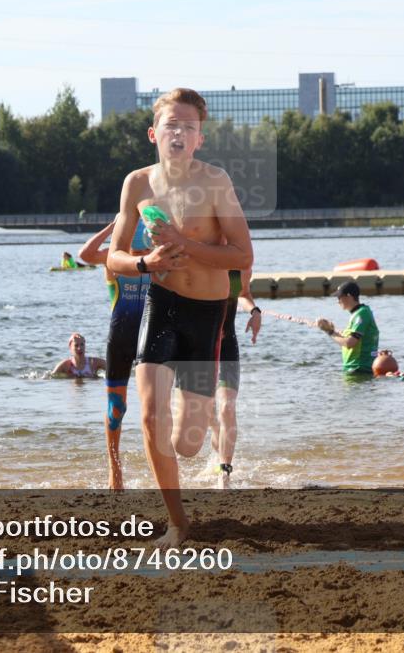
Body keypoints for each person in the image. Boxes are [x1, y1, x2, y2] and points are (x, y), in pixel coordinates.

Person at [106, 87, 253, 547]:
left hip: (208, 315)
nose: (179, 133)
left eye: (189, 127)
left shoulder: (215, 182)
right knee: (150, 419)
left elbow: (242, 254)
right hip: (163, 304)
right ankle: (177, 525)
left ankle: (189, 412)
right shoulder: (138, 184)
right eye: (171, 124)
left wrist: (181, 243)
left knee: (187, 444)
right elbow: (113, 257)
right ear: (154, 133)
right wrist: (148, 263)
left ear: (199, 139)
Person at [78, 219, 152, 490]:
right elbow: (84, 255)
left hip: (150, 340)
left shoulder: (156, 259)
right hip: (120, 339)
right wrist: (113, 226)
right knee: (116, 409)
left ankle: (160, 465)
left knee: (153, 409)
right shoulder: (114, 260)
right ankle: (115, 468)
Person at [206, 268, 261, 489]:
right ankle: (218, 447)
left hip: (227, 346)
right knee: (207, 414)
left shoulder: (240, 262)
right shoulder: (202, 252)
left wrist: (255, 311)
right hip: (200, 346)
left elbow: (244, 293)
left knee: (227, 408)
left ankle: (224, 472)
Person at [315, 281, 380, 375]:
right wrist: (331, 329)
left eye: (339, 297)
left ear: (349, 296)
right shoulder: (357, 314)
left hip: (360, 369)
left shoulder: (362, 314)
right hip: (354, 370)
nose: (338, 301)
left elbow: (349, 343)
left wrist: (329, 332)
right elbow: (348, 339)